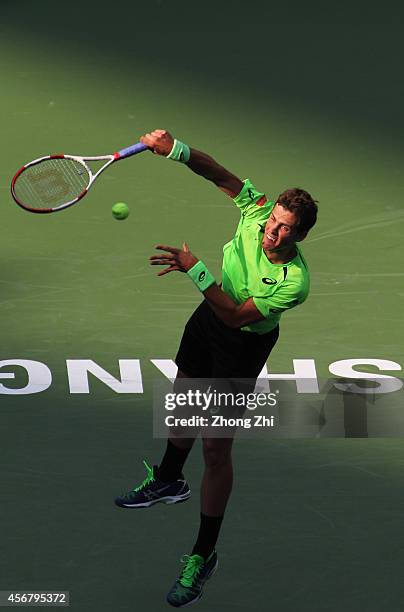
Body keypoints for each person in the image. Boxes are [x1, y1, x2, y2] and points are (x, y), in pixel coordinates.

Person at [115, 129, 318, 607]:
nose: (274, 230)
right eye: (275, 220)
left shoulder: (293, 282)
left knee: (216, 451)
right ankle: (168, 479)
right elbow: (218, 174)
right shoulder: (255, 213)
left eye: (287, 228)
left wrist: (195, 268)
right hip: (206, 323)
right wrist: (175, 149)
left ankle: (203, 554)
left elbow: (235, 314)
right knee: (182, 403)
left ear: (302, 235)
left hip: (241, 346)